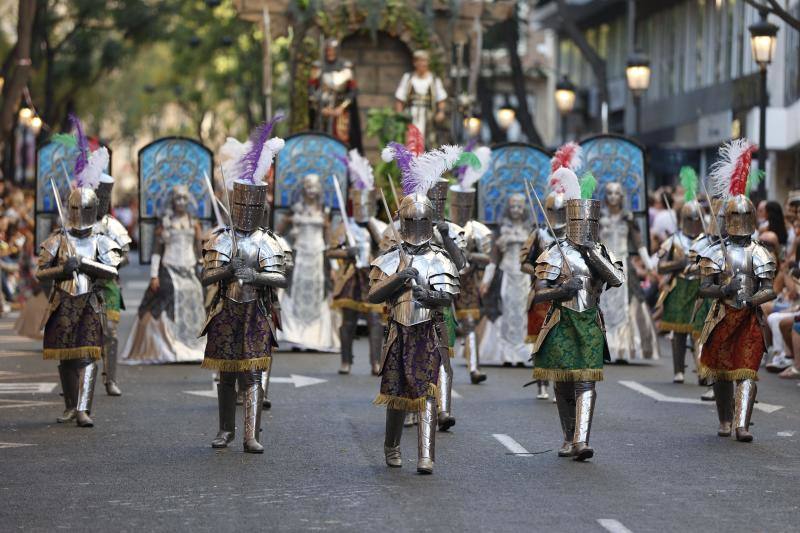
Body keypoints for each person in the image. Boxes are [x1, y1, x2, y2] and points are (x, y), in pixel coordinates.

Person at [200, 121, 288, 453]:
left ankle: (251, 434)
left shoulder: (269, 242)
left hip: (256, 311)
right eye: (244, 207)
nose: (248, 212)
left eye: (254, 207)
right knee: (225, 373)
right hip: (226, 310)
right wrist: (226, 271)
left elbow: (280, 278)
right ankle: (226, 430)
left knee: (251, 373)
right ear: (236, 206)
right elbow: (206, 278)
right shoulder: (220, 239)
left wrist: (254, 275)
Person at [369, 170, 461, 475]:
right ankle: (392, 446)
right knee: (396, 393)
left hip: (428, 331)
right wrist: (398, 277)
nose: (416, 227)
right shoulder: (390, 255)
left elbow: (447, 298)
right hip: (398, 329)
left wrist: (428, 294)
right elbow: (372, 295)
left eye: (422, 221)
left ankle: (425, 455)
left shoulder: (440, 258)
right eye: (411, 221)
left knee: (428, 392)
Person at [531, 169, 625, 461]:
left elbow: (617, 279)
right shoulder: (554, 251)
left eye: (590, 221)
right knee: (564, 382)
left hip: (590, 320)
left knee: (586, 380)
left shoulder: (600, 251)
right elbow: (537, 294)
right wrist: (562, 290)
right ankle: (568, 436)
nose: (586, 226)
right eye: (581, 221)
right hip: (562, 320)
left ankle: (582, 440)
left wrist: (592, 254)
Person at [36, 139, 121, 428]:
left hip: (90, 302)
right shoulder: (59, 238)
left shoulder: (100, 239)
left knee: (87, 355)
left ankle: (85, 408)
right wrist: (62, 268)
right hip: (63, 301)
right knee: (67, 358)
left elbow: (112, 271)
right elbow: (40, 272)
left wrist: (84, 265)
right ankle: (71, 405)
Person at [696, 139, 776, 442]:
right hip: (722, 314)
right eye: (735, 218)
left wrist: (751, 299)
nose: (740, 222)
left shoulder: (761, 252)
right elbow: (704, 289)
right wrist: (724, 289)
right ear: (727, 220)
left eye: (745, 218)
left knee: (747, 370)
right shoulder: (715, 252)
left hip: (750, 317)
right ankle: (726, 419)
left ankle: (742, 423)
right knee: (720, 369)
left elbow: (769, 290)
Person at [121, 186, 206, 364]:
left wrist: (202, 263)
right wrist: (154, 275)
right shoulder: (164, 223)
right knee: (170, 292)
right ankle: (171, 344)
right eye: (178, 198)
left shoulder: (193, 222)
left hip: (189, 268)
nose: (181, 202)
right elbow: (157, 251)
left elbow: (198, 251)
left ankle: (193, 343)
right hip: (169, 267)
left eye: (184, 198)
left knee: (197, 292)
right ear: (172, 201)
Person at [521, 142, 580, 400]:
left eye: (560, 210)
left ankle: (558, 379)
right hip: (542, 293)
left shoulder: (572, 236)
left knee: (560, 338)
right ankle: (541, 383)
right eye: (552, 210)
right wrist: (538, 271)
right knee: (539, 338)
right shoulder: (538, 233)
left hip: (565, 293)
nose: (556, 214)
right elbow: (523, 261)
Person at [328, 150, 387, 375]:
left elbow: (385, 247)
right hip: (352, 276)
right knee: (349, 321)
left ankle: (375, 362)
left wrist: (371, 227)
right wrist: (346, 253)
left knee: (374, 320)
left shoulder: (379, 226)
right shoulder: (345, 226)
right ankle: (346, 361)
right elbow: (331, 252)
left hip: (371, 276)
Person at [276, 173, 340, 352]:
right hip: (299, 257)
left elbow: (328, 239)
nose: (311, 190)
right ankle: (296, 336)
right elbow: (278, 231)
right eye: (308, 186)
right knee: (295, 293)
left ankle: (315, 337)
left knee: (318, 292)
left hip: (318, 257)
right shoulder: (295, 209)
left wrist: (333, 264)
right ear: (303, 188)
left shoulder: (324, 210)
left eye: (314, 187)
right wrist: (287, 224)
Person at [599, 181, 659, 362]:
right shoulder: (599, 217)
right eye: (610, 193)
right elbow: (593, 243)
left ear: (621, 196)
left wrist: (649, 264)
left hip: (623, 265)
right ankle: (605, 348)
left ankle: (622, 348)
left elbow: (639, 243)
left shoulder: (628, 218)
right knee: (604, 306)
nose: (613, 197)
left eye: (617, 193)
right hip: (603, 265)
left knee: (625, 308)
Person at [449, 146, 493, 384]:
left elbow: (488, 258)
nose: (462, 209)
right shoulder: (442, 227)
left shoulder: (477, 229)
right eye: (459, 205)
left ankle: (474, 367)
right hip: (444, 280)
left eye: (466, 206)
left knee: (469, 323)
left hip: (466, 283)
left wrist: (470, 255)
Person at [656, 167, 704, 383]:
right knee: (679, 332)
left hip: (700, 287)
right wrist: (678, 263)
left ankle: (702, 369)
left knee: (700, 330)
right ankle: (679, 370)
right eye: (690, 218)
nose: (694, 222)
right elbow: (660, 267)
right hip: (679, 286)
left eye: (697, 218)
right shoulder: (673, 240)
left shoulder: (706, 241)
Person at [479, 194, 533, 369]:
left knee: (522, 312)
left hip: (524, 277)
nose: (516, 210)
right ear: (508, 208)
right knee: (505, 312)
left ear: (524, 208)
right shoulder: (500, 231)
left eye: (519, 206)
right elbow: (493, 259)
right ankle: (506, 354)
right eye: (513, 206)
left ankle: (522, 353)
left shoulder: (531, 230)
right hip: (506, 275)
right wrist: (486, 281)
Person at [93, 169, 131, 396]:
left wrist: (112, 263)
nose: (101, 203)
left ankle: (110, 379)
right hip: (81, 284)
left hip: (107, 283)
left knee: (110, 332)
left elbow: (125, 254)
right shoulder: (74, 224)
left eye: (105, 199)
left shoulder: (113, 225)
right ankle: (75, 385)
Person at [308, 38, 362, 151]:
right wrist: (320, 108)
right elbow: (311, 91)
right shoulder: (317, 66)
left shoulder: (347, 67)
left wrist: (341, 108)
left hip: (341, 111)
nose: (330, 53)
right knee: (320, 141)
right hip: (323, 110)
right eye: (328, 50)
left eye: (333, 50)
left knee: (342, 140)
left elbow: (352, 91)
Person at [394, 50, 448, 147]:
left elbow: (441, 99)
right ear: (415, 63)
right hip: (410, 116)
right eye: (419, 61)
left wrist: (441, 112)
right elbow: (400, 98)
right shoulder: (408, 78)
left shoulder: (434, 79)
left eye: (424, 61)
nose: (422, 64)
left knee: (429, 143)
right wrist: (400, 115)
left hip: (428, 118)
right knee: (410, 143)